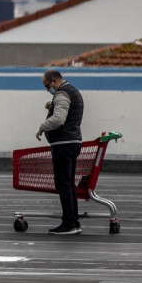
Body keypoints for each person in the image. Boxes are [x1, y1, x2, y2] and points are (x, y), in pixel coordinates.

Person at [36, 69, 83, 235]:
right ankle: (74, 222)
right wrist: (53, 104)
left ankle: (69, 223)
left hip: (63, 143)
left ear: (54, 80)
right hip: (72, 142)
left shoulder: (62, 93)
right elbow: (67, 111)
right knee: (69, 185)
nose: (47, 90)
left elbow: (59, 119)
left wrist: (41, 128)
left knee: (63, 185)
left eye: (47, 85)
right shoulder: (73, 92)